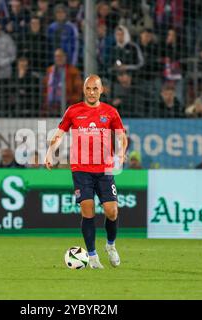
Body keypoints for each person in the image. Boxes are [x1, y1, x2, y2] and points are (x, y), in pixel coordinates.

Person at [45, 75, 128, 269]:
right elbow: (59, 134)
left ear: (102, 90)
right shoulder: (73, 111)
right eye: (88, 88)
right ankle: (92, 256)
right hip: (81, 169)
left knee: (112, 211)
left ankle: (110, 245)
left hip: (105, 169)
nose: (91, 92)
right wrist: (50, 152)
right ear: (84, 90)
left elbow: (122, 136)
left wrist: (122, 153)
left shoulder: (110, 112)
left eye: (95, 89)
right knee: (87, 209)